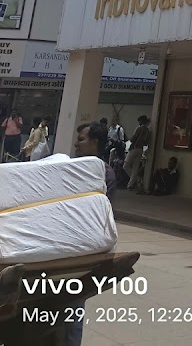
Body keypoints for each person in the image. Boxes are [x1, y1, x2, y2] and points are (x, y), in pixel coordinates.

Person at [68, 122, 117, 345]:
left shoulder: (104, 174)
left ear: (95, 142)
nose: (76, 144)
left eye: (81, 139)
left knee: (72, 308)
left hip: (80, 252)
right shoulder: (68, 167)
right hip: (58, 246)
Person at [123, 115, 150, 191]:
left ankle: (136, 179)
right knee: (136, 167)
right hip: (140, 149)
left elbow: (133, 139)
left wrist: (130, 139)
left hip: (134, 148)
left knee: (126, 165)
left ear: (142, 121)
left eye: (139, 121)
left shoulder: (139, 128)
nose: (139, 122)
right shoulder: (147, 130)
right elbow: (146, 143)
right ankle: (131, 184)